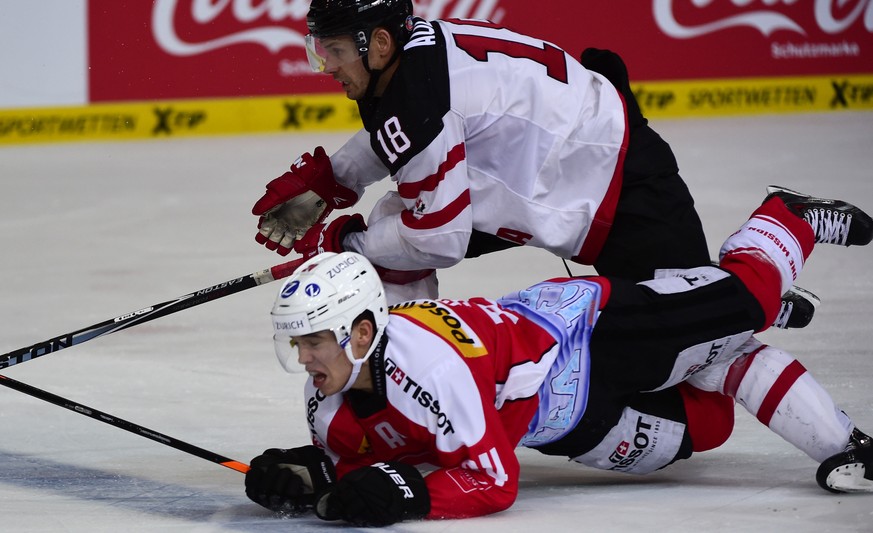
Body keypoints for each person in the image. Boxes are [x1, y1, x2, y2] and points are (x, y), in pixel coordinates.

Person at [243, 187, 873, 526]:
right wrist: (306, 476)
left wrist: (411, 497)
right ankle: (718, 335)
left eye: (313, 340)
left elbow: (492, 483)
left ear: (359, 334)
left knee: (748, 302)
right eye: (297, 342)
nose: (303, 359)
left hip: (593, 333)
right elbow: (365, 456)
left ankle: (785, 219)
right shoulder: (329, 397)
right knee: (710, 424)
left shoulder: (432, 368)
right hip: (569, 421)